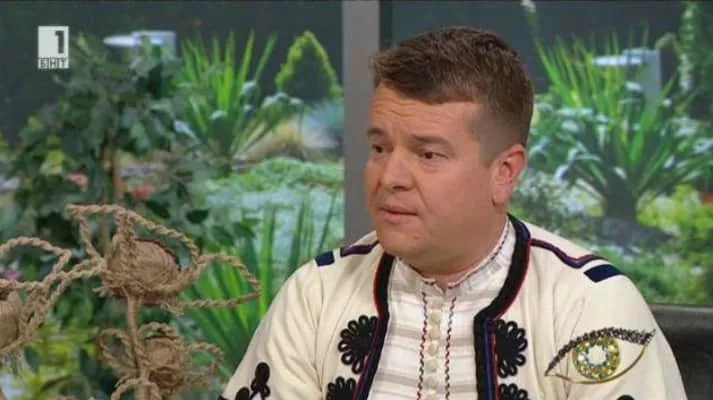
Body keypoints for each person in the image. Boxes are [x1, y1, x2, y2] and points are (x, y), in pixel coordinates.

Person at [219, 26, 687, 400]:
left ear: (504, 172)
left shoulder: (591, 308)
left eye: (428, 154)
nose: (390, 177)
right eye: (379, 148)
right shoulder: (316, 295)